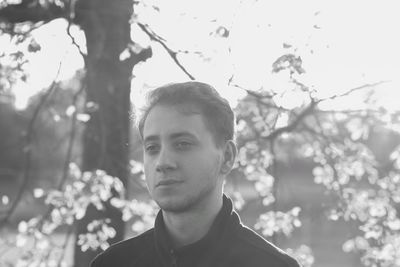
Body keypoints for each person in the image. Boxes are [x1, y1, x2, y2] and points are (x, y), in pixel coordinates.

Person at [90, 81, 301, 267]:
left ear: (227, 157)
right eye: (152, 148)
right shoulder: (113, 263)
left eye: (182, 144)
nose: (163, 163)